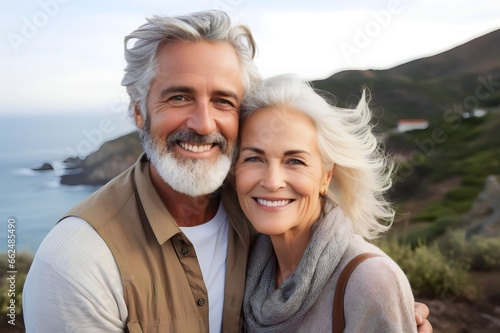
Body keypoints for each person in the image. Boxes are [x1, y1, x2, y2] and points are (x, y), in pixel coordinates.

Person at [22, 11, 432, 333]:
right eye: (179, 96)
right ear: (137, 110)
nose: (203, 124)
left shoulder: (258, 216)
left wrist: (382, 302)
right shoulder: (77, 263)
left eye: (222, 101)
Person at [233, 73, 419, 332]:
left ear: (326, 177)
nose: (272, 181)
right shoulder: (239, 267)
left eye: (295, 161)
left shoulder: (371, 280)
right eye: (254, 158)